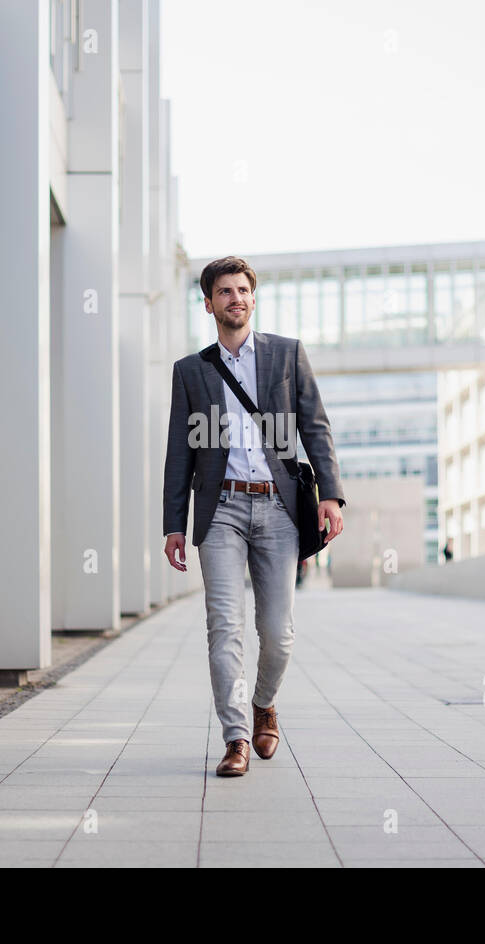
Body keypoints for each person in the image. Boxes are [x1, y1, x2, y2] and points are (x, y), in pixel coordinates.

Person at [162, 256, 345, 777]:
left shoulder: (286, 355)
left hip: (279, 508)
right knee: (224, 627)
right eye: (224, 291)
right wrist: (174, 523)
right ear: (209, 303)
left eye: (242, 289)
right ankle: (237, 736)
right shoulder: (191, 371)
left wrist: (330, 493)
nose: (235, 298)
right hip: (219, 510)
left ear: (253, 298)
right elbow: (180, 451)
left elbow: (315, 426)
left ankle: (264, 702)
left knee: (278, 631)